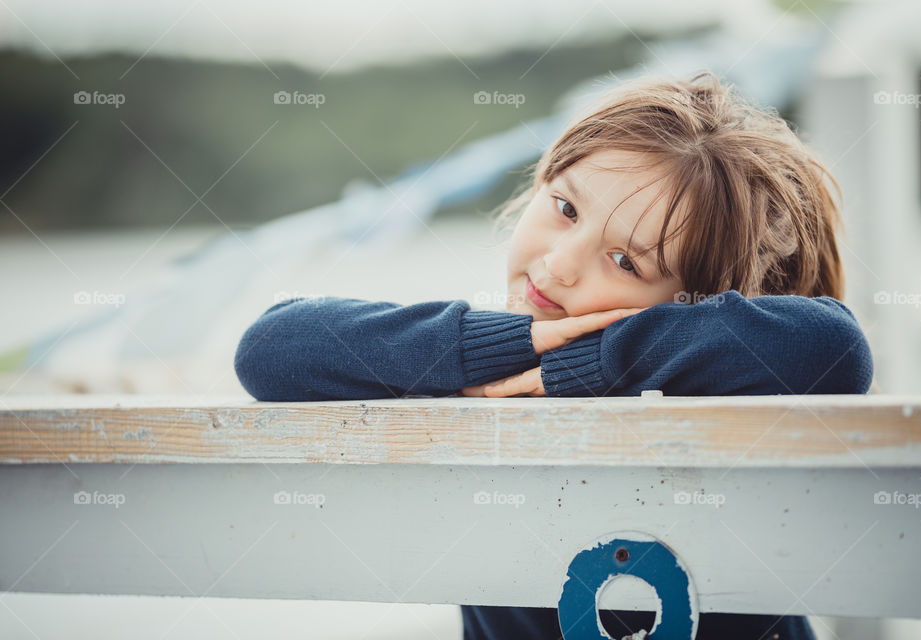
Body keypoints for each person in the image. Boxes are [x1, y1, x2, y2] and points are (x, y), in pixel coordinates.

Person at [234, 71, 873, 640]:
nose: (559, 264)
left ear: (700, 306)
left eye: (626, 261)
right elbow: (272, 347)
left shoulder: (723, 380)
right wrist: (507, 347)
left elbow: (832, 347)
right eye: (565, 208)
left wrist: (591, 361)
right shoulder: (456, 358)